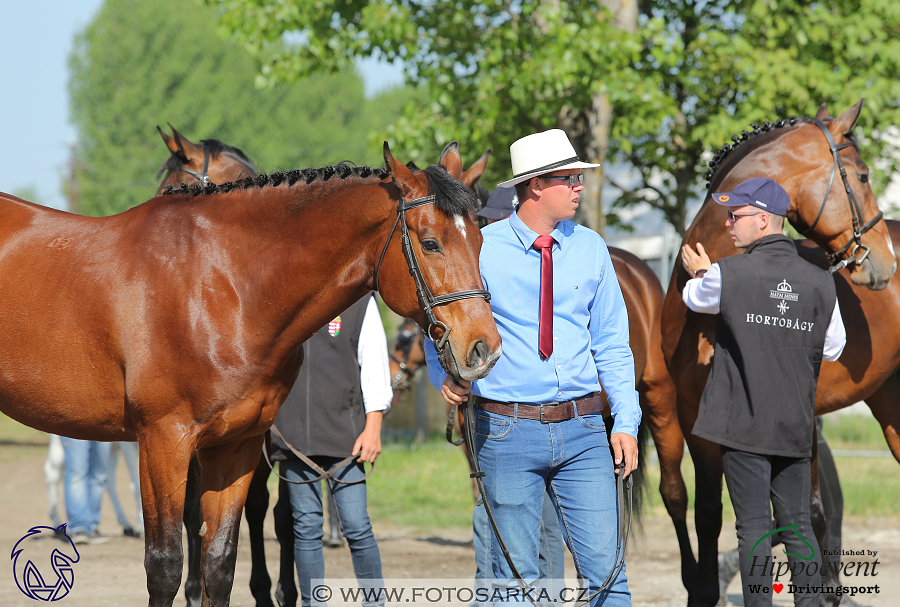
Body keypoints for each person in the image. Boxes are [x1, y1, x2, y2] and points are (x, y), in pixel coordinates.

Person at [426, 129, 640, 606]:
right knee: (517, 585)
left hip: (585, 431)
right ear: (536, 185)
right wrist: (446, 375)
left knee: (609, 579)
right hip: (506, 430)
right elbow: (437, 319)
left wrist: (625, 422)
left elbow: (612, 344)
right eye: (571, 178)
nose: (580, 186)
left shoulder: (592, 249)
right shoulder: (480, 247)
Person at [680, 177, 846, 607]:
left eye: (736, 216)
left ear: (764, 220)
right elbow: (833, 346)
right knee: (796, 525)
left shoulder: (727, 273)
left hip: (743, 424)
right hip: (793, 425)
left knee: (753, 526)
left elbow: (694, 297)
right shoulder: (821, 282)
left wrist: (700, 270)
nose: (729, 223)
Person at [472, 183, 566, 602]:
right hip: (500, 413)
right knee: (501, 518)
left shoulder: (548, 261)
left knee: (522, 520)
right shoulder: (477, 262)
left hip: (540, 416)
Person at [268, 293, 393, 607]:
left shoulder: (359, 302)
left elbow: (375, 364)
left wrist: (373, 427)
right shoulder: (284, 297)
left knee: (356, 526)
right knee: (306, 528)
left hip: (346, 440)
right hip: (294, 440)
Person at [60, 438, 112, 544]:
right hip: (75, 423)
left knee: (100, 474)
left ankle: (92, 526)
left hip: (103, 424)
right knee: (77, 471)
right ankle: (79, 528)